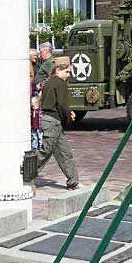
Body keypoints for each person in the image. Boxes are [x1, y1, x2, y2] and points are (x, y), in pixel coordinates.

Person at [38, 56, 80, 190]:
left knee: (65, 152)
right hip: (52, 122)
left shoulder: (48, 82)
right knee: (45, 152)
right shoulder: (59, 83)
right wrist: (68, 116)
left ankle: (73, 181)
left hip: (51, 121)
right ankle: (24, 175)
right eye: (67, 72)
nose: (68, 75)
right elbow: (62, 104)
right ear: (58, 70)